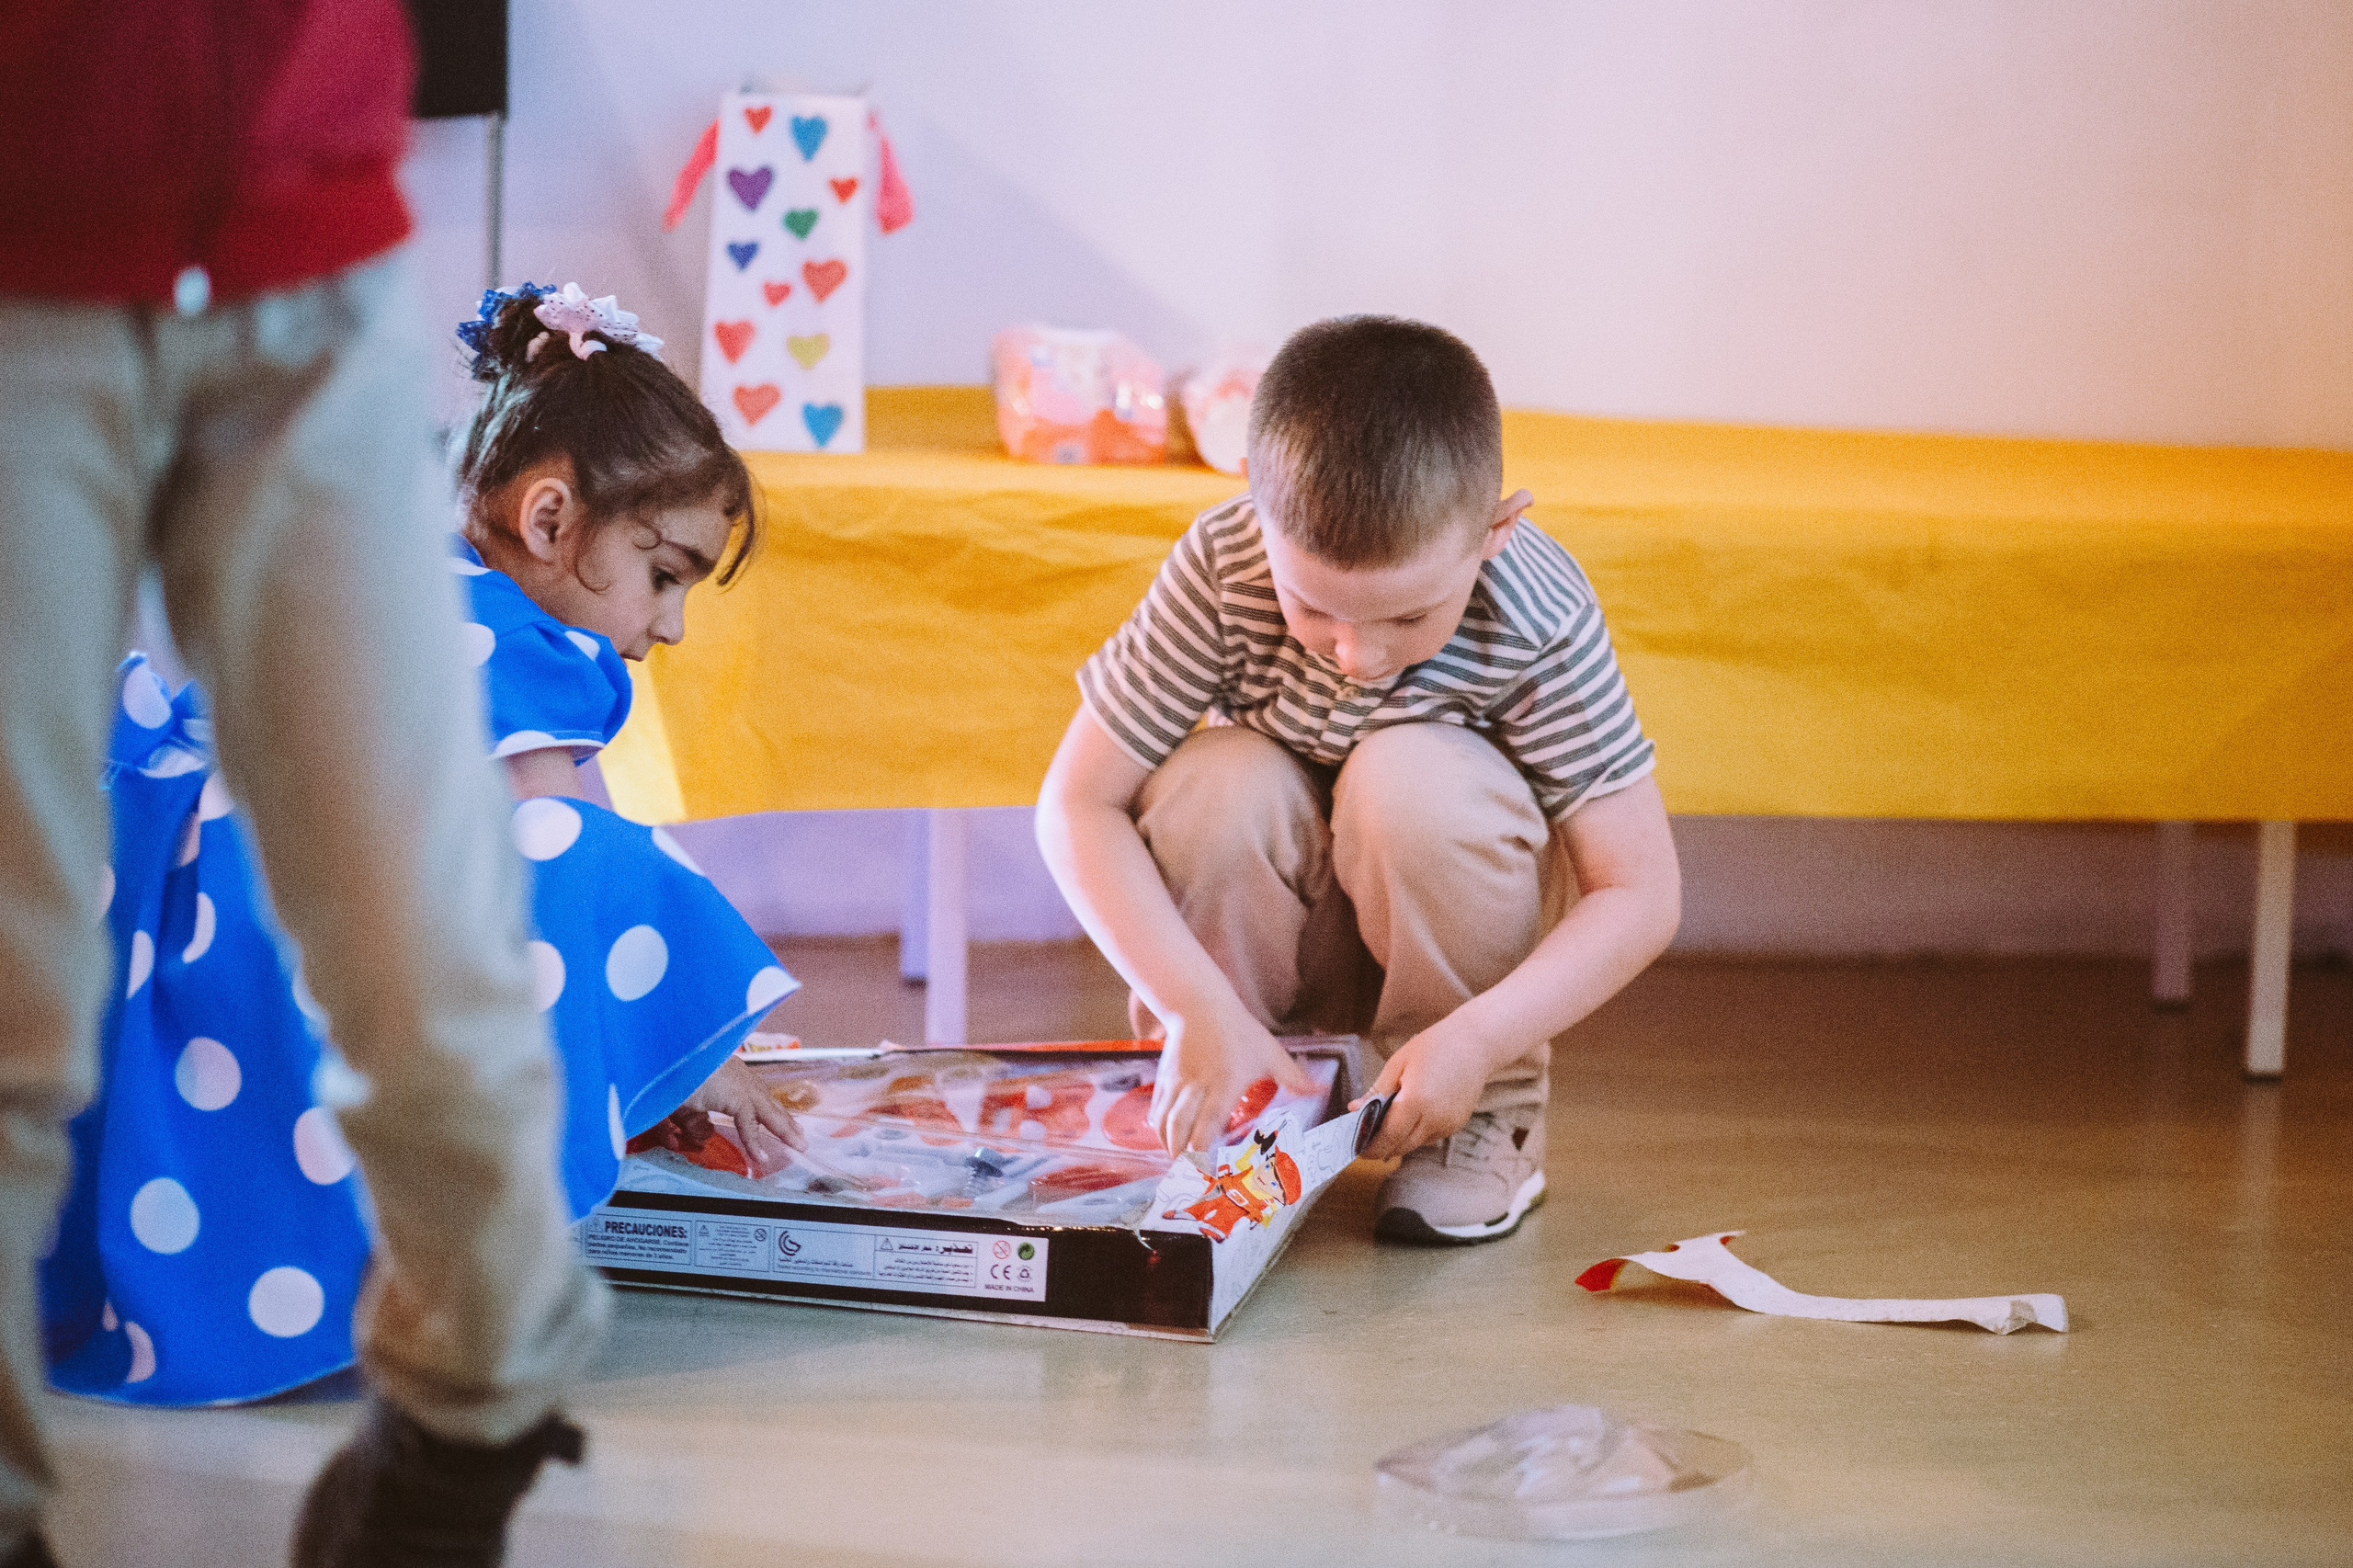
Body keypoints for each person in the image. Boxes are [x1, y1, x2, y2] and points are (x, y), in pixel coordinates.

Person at [3, 4, 602, 1562]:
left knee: (434, 933)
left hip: (306, 271)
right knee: (15, 973)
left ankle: (468, 1424)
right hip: (21, 280)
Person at [40, 282, 803, 1418]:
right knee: (582, 859)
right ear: (548, 522)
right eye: (665, 573)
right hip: (263, 890)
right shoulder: (521, 643)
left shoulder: (406, 583)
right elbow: (560, 860)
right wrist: (701, 1051)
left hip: (202, 849)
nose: (672, 624)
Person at [1035, 315, 1682, 1245]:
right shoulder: (1222, 563)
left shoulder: (1537, 611)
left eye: (1410, 616)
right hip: (1276, 932)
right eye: (1313, 607)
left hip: (1442, 941)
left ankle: (1483, 1120)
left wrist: (1476, 1042)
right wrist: (1192, 1005)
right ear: (1258, 518)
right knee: (1217, 780)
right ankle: (1233, 1090)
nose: (1357, 653)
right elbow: (1074, 803)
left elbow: (1641, 889)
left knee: (1410, 777)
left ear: (1495, 531)